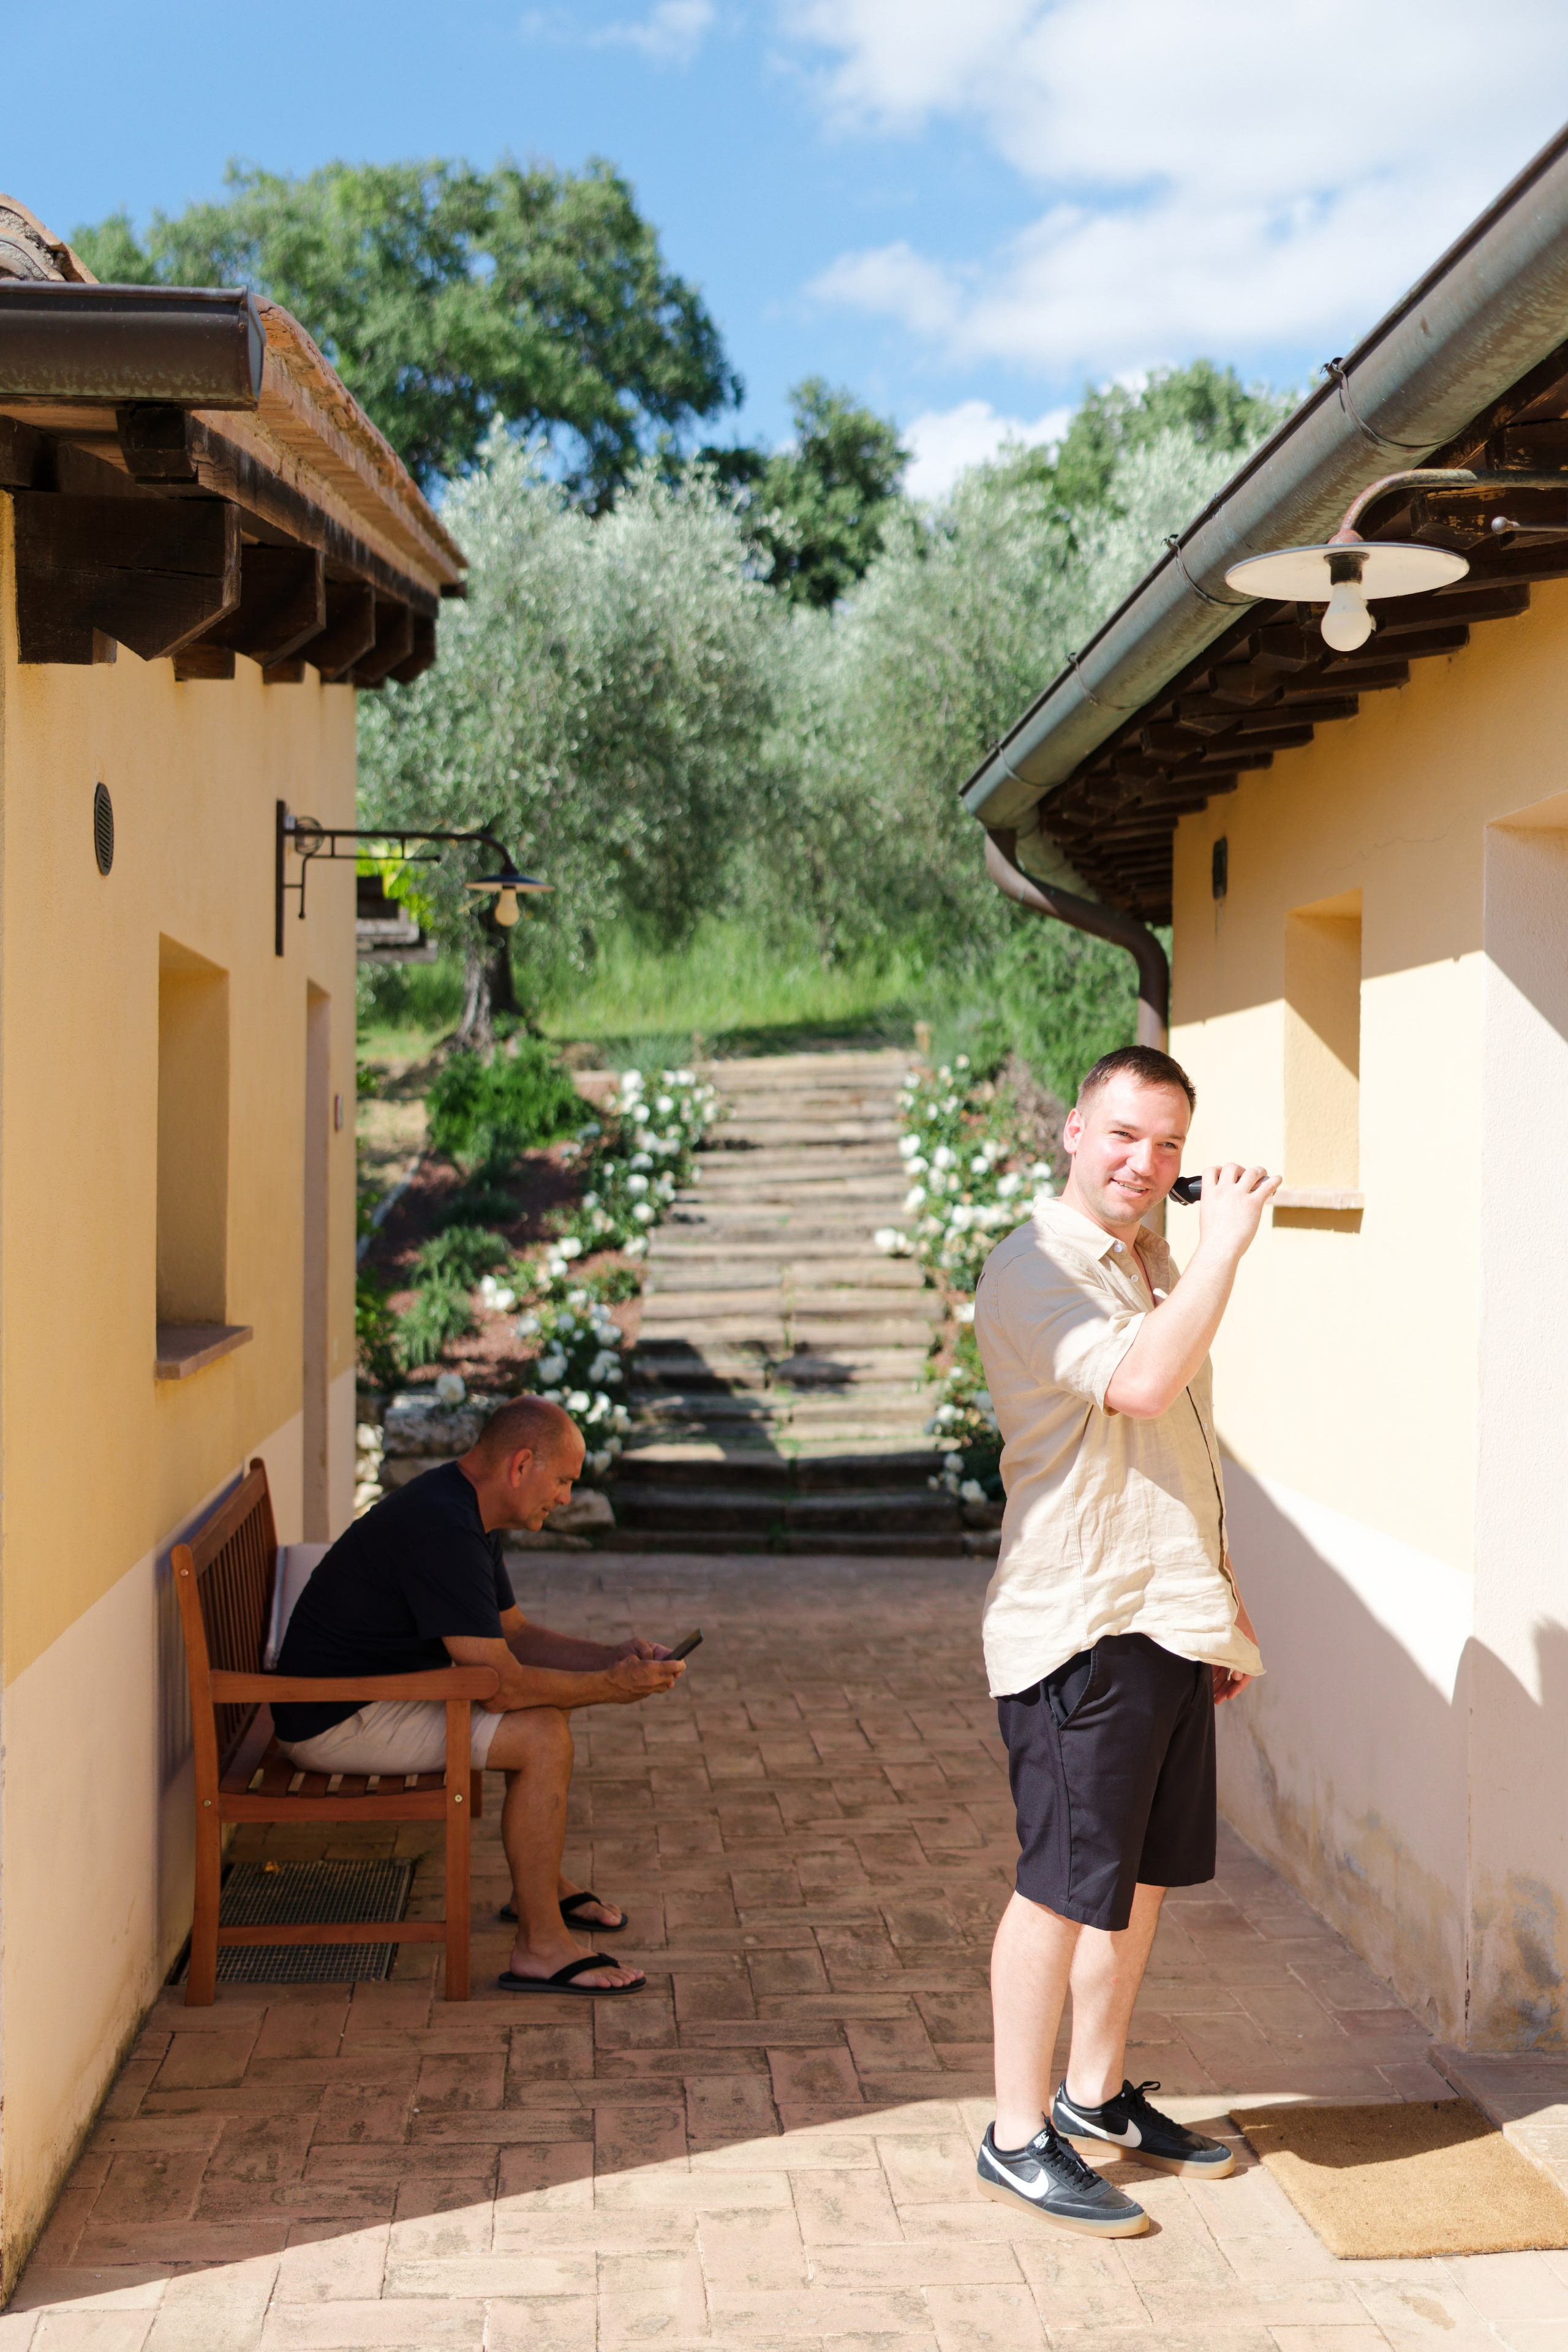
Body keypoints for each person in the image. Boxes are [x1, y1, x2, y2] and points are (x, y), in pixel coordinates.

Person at [971, 1044, 1278, 2236]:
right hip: (1079, 1628)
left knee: (1135, 1885)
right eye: (1121, 1134)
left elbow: (1174, 1453)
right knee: (1055, 1892)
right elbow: (1142, 1390)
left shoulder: (1147, 1261)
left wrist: (1219, 1595)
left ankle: (1093, 2097)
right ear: (1070, 1131)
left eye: (1165, 1144)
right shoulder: (1036, 1269)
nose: (1144, 1164)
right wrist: (1224, 1250)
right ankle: (1012, 2136)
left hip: (1162, 1615)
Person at [272, 1395, 682, 1996]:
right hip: (332, 1720)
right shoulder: (444, 1527)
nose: (567, 1497)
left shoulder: (462, 1506)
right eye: (563, 1480)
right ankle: (541, 1946)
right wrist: (611, 1689)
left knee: (543, 1716)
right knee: (541, 1734)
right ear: (521, 1466)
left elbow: (513, 1634)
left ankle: (537, 1890)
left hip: (364, 1695)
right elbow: (500, 1685)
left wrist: (611, 1656)